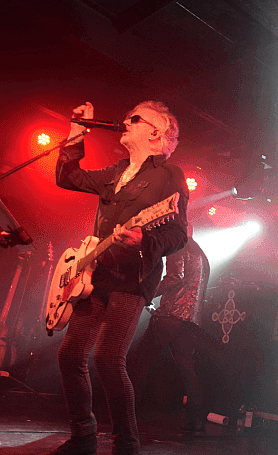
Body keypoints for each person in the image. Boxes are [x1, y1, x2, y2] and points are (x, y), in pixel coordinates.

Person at [48, 100, 189, 455]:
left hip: (132, 278)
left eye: (134, 118)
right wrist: (76, 134)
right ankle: (83, 436)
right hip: (95, 273)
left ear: (156, 133)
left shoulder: (169, 176)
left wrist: (145, 239)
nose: (125, 120)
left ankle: (126, 445)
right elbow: (67, 177)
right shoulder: (117, 171)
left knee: (108, 359)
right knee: (70, 355)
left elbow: (178, 234)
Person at [128, 223, 210, 434]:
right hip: (190, 321)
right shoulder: (202, 255)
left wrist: (147, 293)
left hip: (170, 316)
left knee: (140, 360)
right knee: (187, 368)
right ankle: (197, 420)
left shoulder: (179, 246)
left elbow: (175, 277)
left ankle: (127, 414)